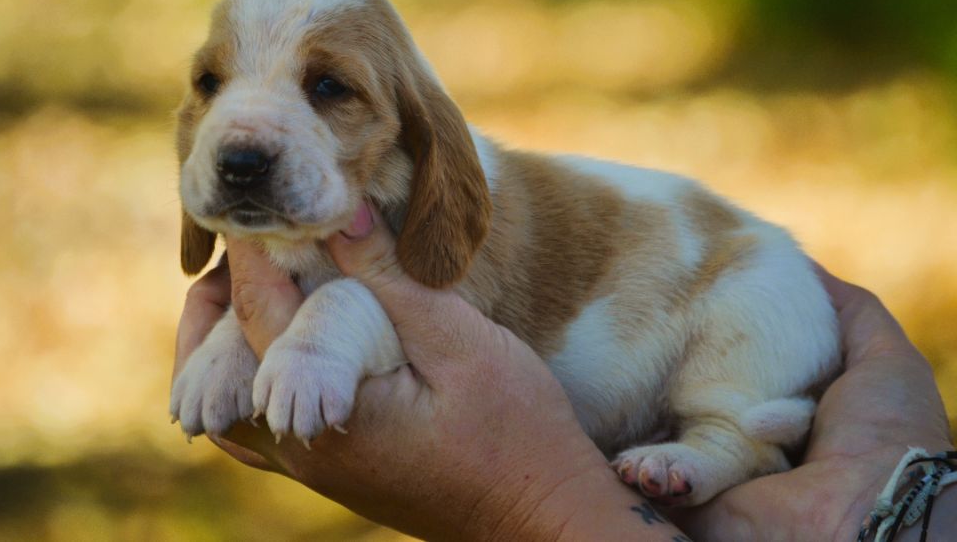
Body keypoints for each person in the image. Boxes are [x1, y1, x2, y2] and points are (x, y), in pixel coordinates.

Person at [173, 204, 955, 541]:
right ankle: (727, 445)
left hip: (718, 307)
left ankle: (732, 444)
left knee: (750, 306)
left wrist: (534, 510)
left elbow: (391, 311)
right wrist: (863, 508)